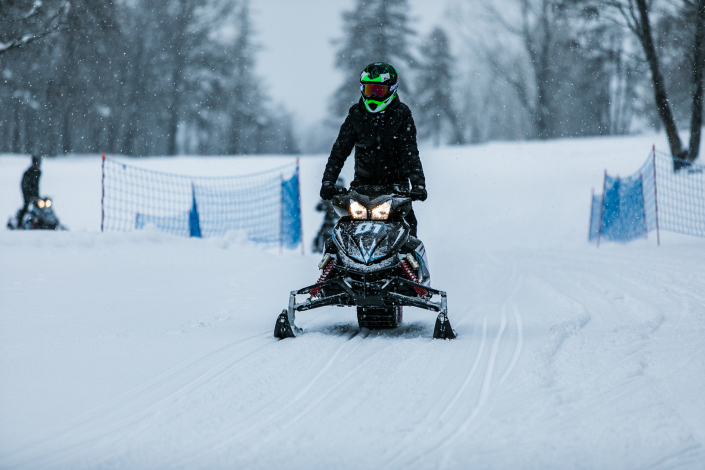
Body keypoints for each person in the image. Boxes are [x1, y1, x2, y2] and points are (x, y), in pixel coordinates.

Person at [319, 62, 427, 237]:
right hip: (362, 187)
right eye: (370, 90)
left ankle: (413, 263)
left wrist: (418, 184)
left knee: (408, 228)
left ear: (392, 90)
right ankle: (333, 263)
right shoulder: (356, 115)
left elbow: (410, 153)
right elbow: (339, 151)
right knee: (342, 232)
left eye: (379, 91)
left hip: (396, 188)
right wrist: (328, 182)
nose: (374, 96)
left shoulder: (402, 115)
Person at [312, 177, 345, 253]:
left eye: (340, 187)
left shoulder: (346, 198)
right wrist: (321, 206)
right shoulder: (329, 196)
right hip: (329, 222)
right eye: (337, 186)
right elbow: (320, 206)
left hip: (342, 222)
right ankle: (317, 247)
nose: (339, 188)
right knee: (322, 232)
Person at [16, 155, 42, 227]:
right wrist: (28, 196)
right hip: (26, 193)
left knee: (39, 207)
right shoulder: (28, 172)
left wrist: (37, 195)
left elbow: (36, 185)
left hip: (34, 193)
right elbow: (24, 185)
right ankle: (19, 223)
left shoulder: (38, 172)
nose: (38, 165)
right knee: (26, 206)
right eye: (36, 163)